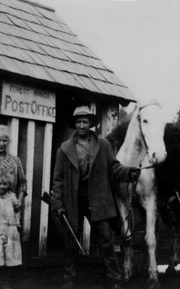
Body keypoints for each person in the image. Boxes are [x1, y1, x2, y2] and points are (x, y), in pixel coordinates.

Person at [51, 105, 141, 289]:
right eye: (79, 121)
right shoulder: (64, 149)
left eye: (85, 121)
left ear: (91, 124)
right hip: (73, 200)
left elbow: (114, 168)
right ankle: (69, 278)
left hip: (98, 199)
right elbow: (58, 180)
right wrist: (58, 204)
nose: (82, 125)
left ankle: (114, 278)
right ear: (74, 124)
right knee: (71, 242)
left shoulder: (103, 145)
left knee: (106, 240)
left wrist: (129, 173)